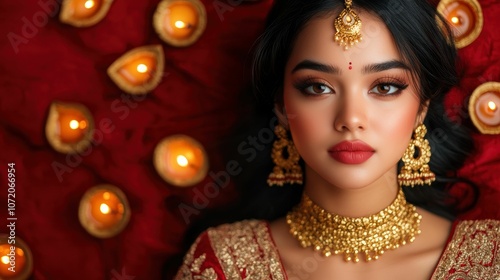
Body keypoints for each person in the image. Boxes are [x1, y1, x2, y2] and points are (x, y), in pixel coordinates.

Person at [175, 0, 500, 279]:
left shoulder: (489, 261)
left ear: (422, 108)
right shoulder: (227, 263)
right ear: (281, 105)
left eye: (384, 87)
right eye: (318, 87)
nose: (351, 119)